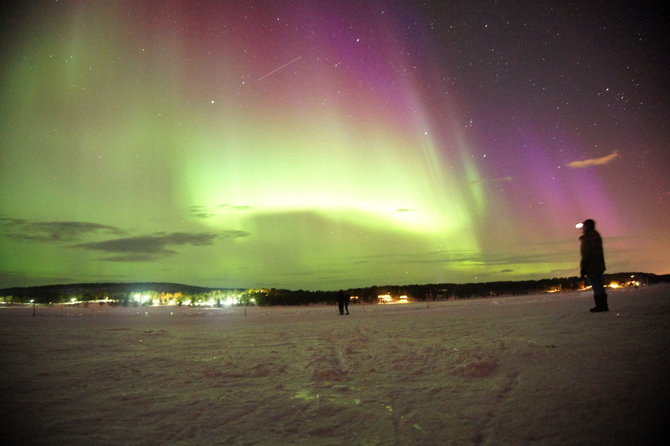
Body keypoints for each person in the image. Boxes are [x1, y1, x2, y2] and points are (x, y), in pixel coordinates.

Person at [578, 219, 608, 312]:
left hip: (592, 265)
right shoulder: (594, 236)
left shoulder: (590, 237)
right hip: (596, 264)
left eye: (585, 226)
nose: (583, 228)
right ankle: (602, 305)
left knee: (597, 286)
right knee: (598, 285)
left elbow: (587, 254)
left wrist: (583, 267)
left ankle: (601, 306)